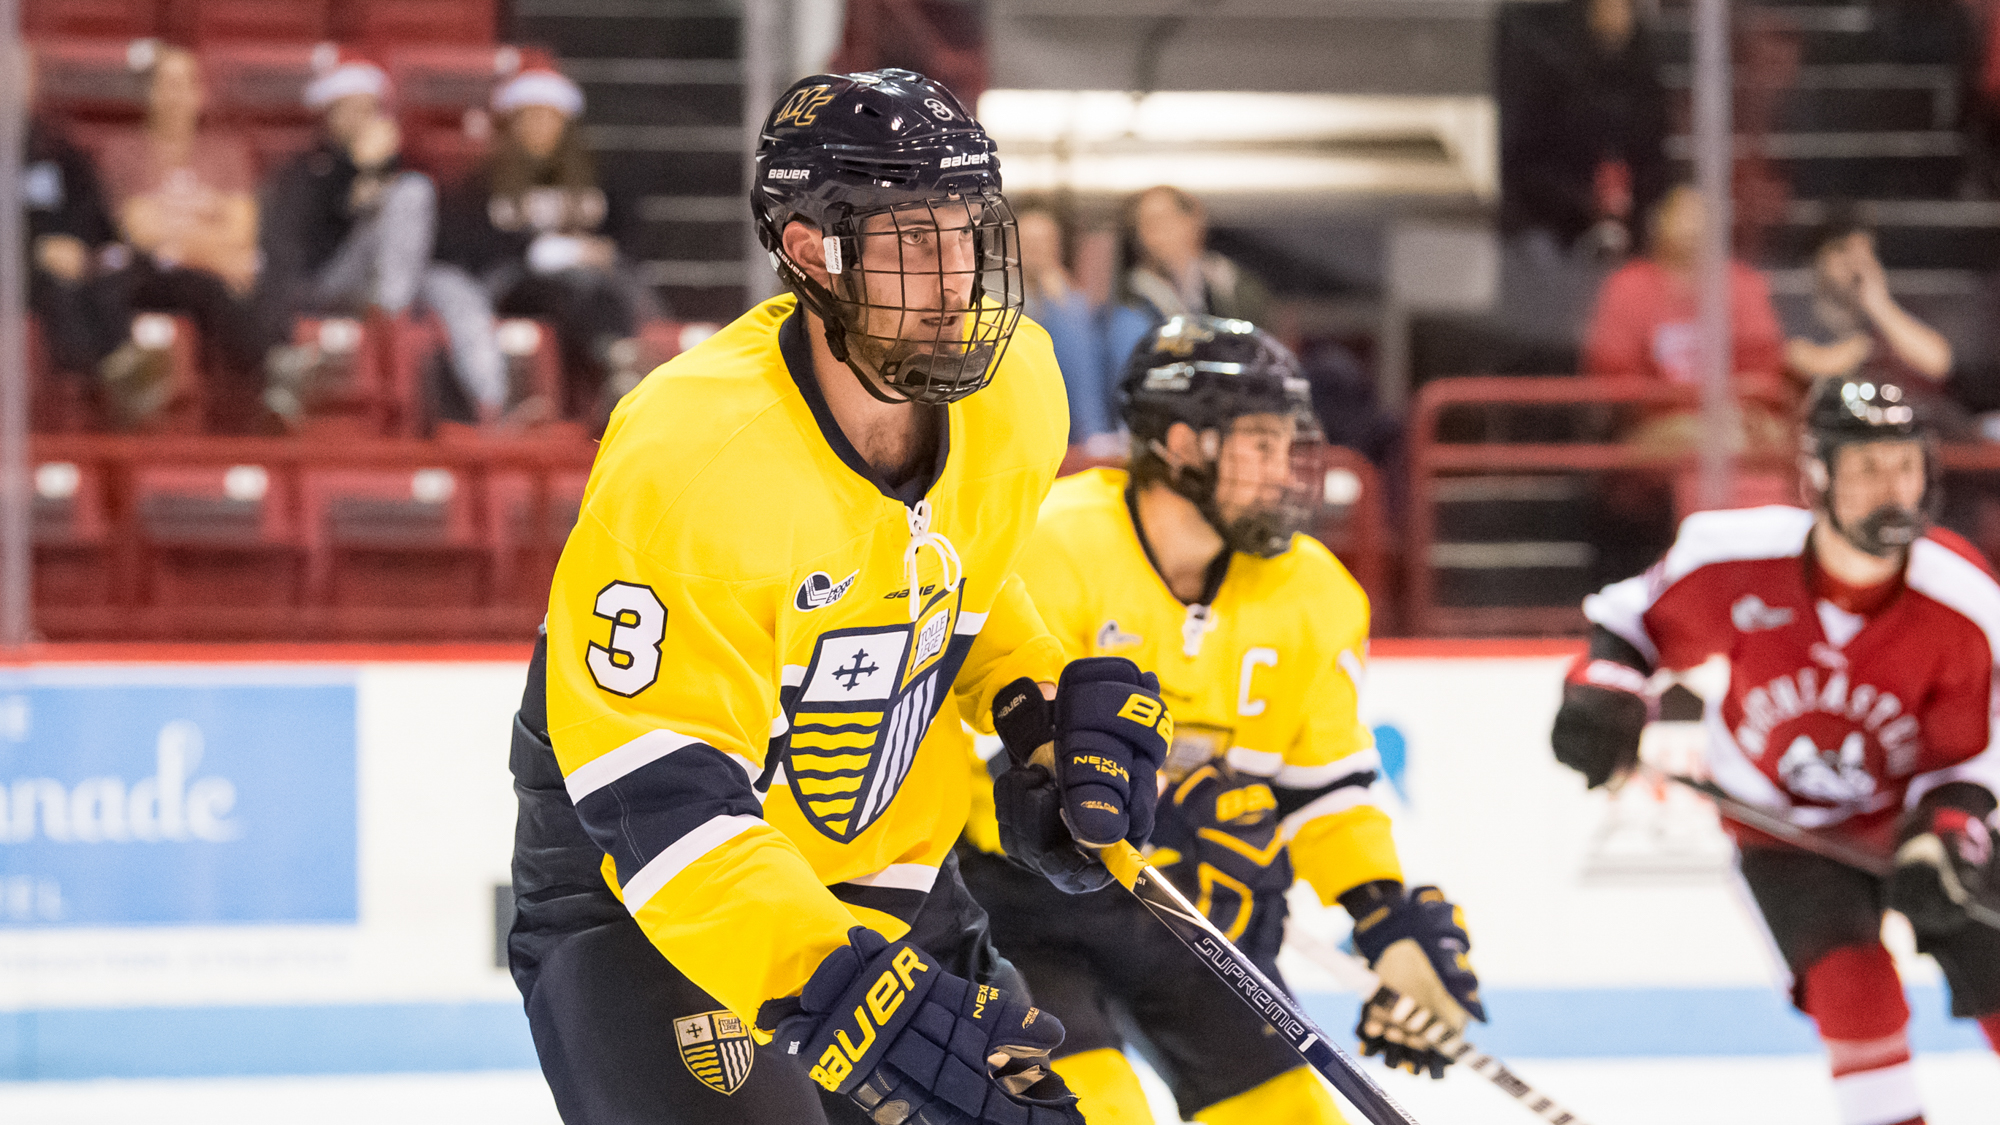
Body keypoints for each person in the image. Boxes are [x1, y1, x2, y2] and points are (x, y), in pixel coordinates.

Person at [505, 68, 1172, 1125]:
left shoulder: (1017, 389)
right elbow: (655, 795)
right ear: (812, 252)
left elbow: (959, 578)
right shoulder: (692, 456)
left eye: (968, 231)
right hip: (652, 900)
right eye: (913, 240)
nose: (955, 276)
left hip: (882, 882)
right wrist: (832, 985)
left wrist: (1037, 711)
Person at [959, 316, 1486, 1125]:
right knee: (1097, 1114)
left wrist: (1383, 913)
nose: (1286, 468)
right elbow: (983, 750)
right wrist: (1151, 810)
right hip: (1025, 910)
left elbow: (1323, 787)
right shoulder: (1050, 544)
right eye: (1261, 444)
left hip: (1188, 920)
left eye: (1289, 444)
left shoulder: (1314, 593)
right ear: (1181, 443)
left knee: (1294, 1118)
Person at [1553, 371, 2000, 1125]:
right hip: (1782, 828)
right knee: (1853, 991)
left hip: (1911, 818)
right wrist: (1603, 695)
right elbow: (1628, 627)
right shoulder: (1734, 557)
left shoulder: (1963, 601)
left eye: (1905, 465)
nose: (1892, 487)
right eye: (1866, 467)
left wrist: (1947, 834)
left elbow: (1971, 751)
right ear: (1817, 474)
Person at [429, 67, 654, 426]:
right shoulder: (481, 183)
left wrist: (606, 250)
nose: (540, 128)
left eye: (550, 118)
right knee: (561, 296)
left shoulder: (602, 178)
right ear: (512, 124)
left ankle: (620, 376)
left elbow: (628, 237)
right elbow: (466, 247)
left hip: (594, 281)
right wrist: (545, 252)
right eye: (530, 117)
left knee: (610, 293)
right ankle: (602, 380)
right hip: (516, 283)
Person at [93, 43, 275, 433]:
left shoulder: (227, 154)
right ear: (149, 92)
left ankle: (241, 418)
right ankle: (129, 405)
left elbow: (241, 230)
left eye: (185, 84)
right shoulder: (123, 152)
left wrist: (175, 236)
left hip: (204, 280)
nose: (175, 95)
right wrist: (209, 225)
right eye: (166, 84)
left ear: (200, 93)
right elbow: (139, 231)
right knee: (110, 284)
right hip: (146, 276)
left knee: (241, 297)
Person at [260, 51, 436, 421]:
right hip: (323, 281)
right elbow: (300, 240)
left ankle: (488, 412)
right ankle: (392, 322)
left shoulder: (397, 163)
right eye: (349, 109)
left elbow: (441, 222)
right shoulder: (308, 168)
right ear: (329, 113)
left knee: (414, 194)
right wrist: (357, 170)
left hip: (391, 283)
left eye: (367, 109)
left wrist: (380, 168)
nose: (358, 119)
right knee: (408, 195)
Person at [1497, 0, 1669, 259]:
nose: (1616, 17)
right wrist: (1583, 202)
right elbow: (1525, 155)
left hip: (1623, 216)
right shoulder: (1551, 66)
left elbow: (1652, 154)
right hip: (1550, 220)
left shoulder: (1642, 71)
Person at [1581, 183, 1785, 391]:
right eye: (1684, 215)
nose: (1693, 226)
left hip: (1732, 407)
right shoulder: (1628, 286)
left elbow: (1763, 359)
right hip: (1649, 408)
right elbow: (1611, 365)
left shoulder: (1743, 284)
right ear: (1660, 223)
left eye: (1701, 216)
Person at [1103, 186, 1269, 380]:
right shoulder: (1129, 304)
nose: (1154, 233)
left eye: (1163, 219)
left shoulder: (1229, 287)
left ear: (1192, 221)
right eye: (1144, 224)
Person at [1785, 209, 1953, 386]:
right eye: (1843, 250)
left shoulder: (1889, 303)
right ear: (1821, 257)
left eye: (1865, 254)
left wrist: (1880, 306)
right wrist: (1856, 350)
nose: (1855, 265)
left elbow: (1939, 362)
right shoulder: (1798, 299)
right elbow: (1800, 359)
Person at [1015, 201, 1115, 449]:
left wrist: (1093, 435)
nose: (1034, 249)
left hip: (1073, 436)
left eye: (1042, 241)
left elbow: (1087, 382)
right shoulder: (994, 305)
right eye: (1027, 241)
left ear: (1056, 246)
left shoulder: (1074, 307)